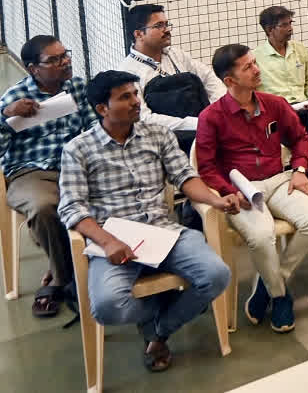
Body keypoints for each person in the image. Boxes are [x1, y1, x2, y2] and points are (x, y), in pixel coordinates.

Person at [58, 70, 232, 373]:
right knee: (108, 306)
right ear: (102, 108)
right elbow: (71, 207)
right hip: (116, 240)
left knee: (216, 275)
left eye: (135, 94)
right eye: (125, 97)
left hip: (164, 231)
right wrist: (107, 241)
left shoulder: (157, 135)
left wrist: (215, 199)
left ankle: (157, 330)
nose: (136, 102)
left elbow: (184, 177)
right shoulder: (78, 149)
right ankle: (162, 316)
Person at [195, 44, 308, 333]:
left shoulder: (275, 104)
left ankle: (270, 285)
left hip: (279, 179)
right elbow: (206, 166)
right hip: (241, 190)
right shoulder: (211, 117)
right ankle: (280, 296)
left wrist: (300, 169)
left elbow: (301, 139)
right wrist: (226, 190)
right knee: (261, 235)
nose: (257, 70)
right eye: (248, 67)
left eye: (255, 63)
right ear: (230, 80)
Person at [0, 36, 99, 318]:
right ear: (34, 68)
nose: (65, 62)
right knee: (46, 207)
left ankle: (102, 266)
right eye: (55, 60)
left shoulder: (78, 87)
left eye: (65, 55)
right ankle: (63, 280)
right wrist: (6, 120)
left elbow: (93, 125)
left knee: (116, 189)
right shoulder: (14, 98)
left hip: (75, 166)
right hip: (31, 172)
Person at [118, 4, 226, 134]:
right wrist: (197, 123)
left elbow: (209, 78)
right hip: (164, 139)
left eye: (167, 24)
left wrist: (218, 109)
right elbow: (144, 119)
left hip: (205, 130)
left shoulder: (176, 54)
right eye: (159, 26)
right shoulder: (128, 72)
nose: (167, 30)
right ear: (139, 34)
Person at [256, 6, 308, 130]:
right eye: (284, 25)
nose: (290, 28)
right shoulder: (255, 58)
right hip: (278, 114)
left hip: (306, 107)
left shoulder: (300, 49)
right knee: (300, 136)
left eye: (290, 23)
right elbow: (255, 93)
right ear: (270, 30)